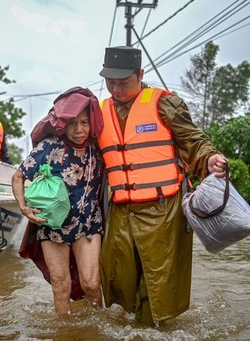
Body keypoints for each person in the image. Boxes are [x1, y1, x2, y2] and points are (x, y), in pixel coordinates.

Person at [97, 46, 228, 325]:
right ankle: (131, 328)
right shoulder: (98, 111)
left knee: (156, 281)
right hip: (120, 210)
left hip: (162, 209)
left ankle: (150, 330)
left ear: (140, 74)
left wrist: (210, 157)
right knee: (119, 276)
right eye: (111, 83)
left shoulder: (165, 103)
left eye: (123, 82)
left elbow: (193, 139)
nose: (116, 89)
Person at [12, 87, 104, 316]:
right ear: (63, 125)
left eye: (84, 122)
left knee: (91, 284)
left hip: (88, 223)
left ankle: (97, 331)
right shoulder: (51, 145)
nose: (79, 130)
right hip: (52, 224)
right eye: (72, 123)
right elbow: (18, 176)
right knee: (60, 285)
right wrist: (24, 208)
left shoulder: (99, 146)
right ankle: (65, 332)